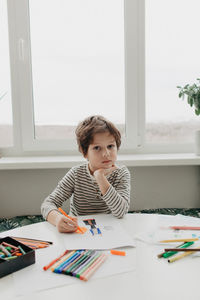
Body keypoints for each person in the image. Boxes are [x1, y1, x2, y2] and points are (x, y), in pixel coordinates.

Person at [41, 115, 131, 233]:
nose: (106, 153)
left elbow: (121, 212)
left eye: (110, 146)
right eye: (97, 148)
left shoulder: (121, 173)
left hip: (109, 230)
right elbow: (48, 204)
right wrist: (57, 219)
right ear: (85, 153)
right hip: (78, 230)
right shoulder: (76, 174)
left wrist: (100, 177)